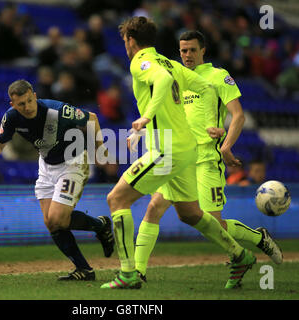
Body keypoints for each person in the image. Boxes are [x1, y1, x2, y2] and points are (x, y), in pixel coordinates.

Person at [101, 17, 256, 290]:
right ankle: (239, 254)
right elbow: (204, 87)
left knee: (116, 199)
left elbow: (160, 81)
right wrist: (212, 122)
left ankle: (127, 274)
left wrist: (146, 116)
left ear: (131, 41)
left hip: (166, 149)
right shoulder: (168, 62)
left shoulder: (142, 62)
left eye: (125, 40)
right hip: (187, 150)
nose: (125, 45)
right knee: (189, 213)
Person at [133, 30, 282, 284]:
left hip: (205, 157)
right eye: (182, 50)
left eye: (192, 50)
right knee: (154, 207)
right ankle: (137, 272)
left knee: (213, 223)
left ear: (203, 51)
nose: (187, 55)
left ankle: (258, 239)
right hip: (179, 155)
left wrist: (225, 143)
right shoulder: (176, 75)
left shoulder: (218, 77)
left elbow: (238, 115)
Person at [0, 79, 114, 281]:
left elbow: (91, 118)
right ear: (12, 105)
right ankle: (84, 269)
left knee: (58, 218)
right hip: (47, 166)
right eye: (21, 104)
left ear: (34, 96)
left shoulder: (57, 110)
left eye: (29, 101)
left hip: (72, 163)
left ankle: (100, 226)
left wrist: (99, 149)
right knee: (51, 223)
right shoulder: (11, 118)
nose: (27, 107)